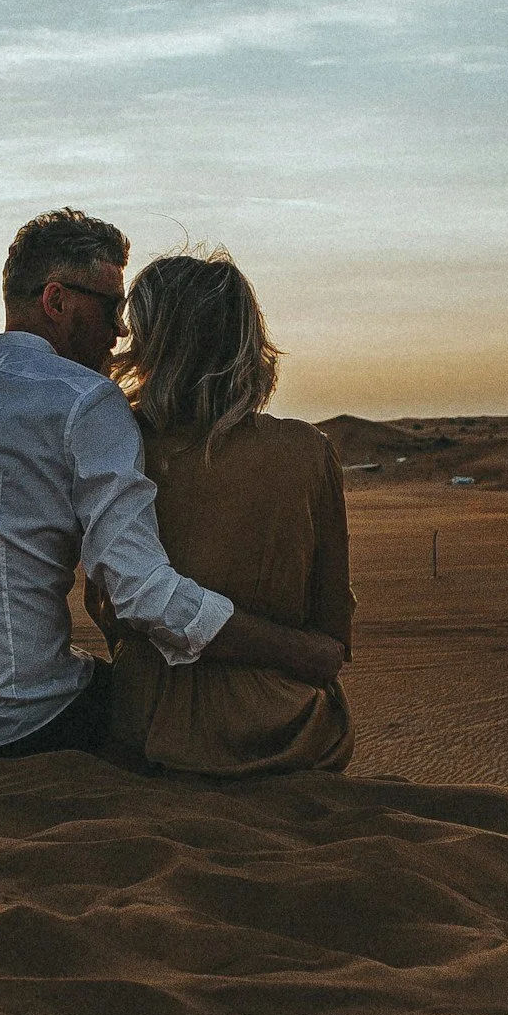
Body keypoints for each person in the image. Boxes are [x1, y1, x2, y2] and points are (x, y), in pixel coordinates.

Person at [0, 209, 346, 760]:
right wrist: (300, 653)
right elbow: (143, 594)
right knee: (129, 701)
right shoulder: (86, 401)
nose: (121, 332)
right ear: (56, 301)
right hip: (6, 730)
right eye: (110, 308)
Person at [93, 250, 353, 776]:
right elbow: (331, 634)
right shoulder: (308, 452)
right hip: (284, 733)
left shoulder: (120, 450)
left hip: (145, 725)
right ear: (247, 344)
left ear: (151, 348)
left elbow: (110, 611)